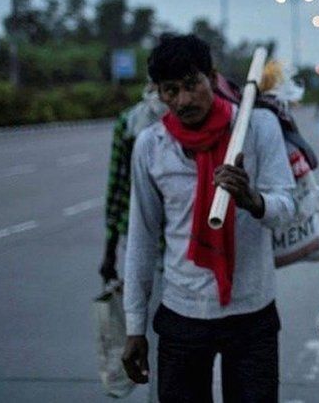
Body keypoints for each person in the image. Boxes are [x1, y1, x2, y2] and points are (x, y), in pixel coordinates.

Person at [121, 35, 295, 402]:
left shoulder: (258, 127)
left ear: (212, 78)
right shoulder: (151, 145)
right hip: (182, 314)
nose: (183, 100)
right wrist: (134, 327)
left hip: (252, 313)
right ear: (158, 93)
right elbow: (142, 238)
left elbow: (286, 209)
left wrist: (252, 200)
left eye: (191, 85)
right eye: (171, 91)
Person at [100, 87, 168, 283]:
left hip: (149, 236)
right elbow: (118, 185)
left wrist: (109, 251)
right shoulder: (130, 122)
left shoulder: (130, 121)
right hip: (150, 237)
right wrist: (109, 252)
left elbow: (117, 188)